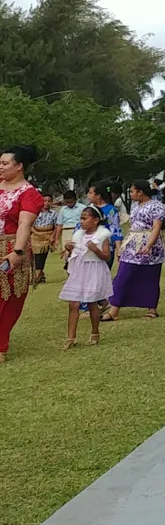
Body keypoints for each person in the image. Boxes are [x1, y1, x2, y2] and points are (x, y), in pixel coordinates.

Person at [0, 145, 43, 364]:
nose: (0, 167)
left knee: (7, 299)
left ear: (19, 167)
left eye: (5, 163)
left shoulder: (29, 194)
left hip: (9, 248)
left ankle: (0, 346)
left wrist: (17, 251)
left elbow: (25, 224)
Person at [104, 181, 165, 321]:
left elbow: (156, 227)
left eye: (132, 191)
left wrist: (149, 244)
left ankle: (151, 308)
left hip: (150, 242)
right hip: (132, 242)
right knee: (123, 274)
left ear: (140, 192)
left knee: (150, 275)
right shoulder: (134, 205)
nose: (131, 194)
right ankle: (114, 309)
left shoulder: (157, 206)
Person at [59, 206, 112, 348]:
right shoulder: (78, 235)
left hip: (94, 270)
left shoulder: (102, 236)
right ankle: (71, 337)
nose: (81, 221)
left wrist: (95, 249)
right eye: (80, 218)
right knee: (73, 303)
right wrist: (69, 249)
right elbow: (74, 254)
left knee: (92, 303)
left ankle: (95, 332)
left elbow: (106, 256)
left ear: (95, 220)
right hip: (79, 270)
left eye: (84, 218)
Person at [30, 194, 58, 285]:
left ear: (52, 202)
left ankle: (38, 274)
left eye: (49, 201)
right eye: (44, 201)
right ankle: (40, 274)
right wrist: (36, 232)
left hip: (47, 236)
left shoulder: (54, 213)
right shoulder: (35, 212)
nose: (46, 203)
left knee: (42, 255)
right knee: (34, 256)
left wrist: (53, 236)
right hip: (35, 235)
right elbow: (29, 224)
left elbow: (56, 226)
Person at [55, 190, 84, 258]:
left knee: (78, 250)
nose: (69, 204)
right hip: (66, 231)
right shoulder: (63, 210)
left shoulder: (82, 208)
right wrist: (56, 239)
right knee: (67, 252)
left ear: (75, 200)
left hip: (78, 230)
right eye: (67, 202)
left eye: (71, 202)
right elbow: (59, 224)